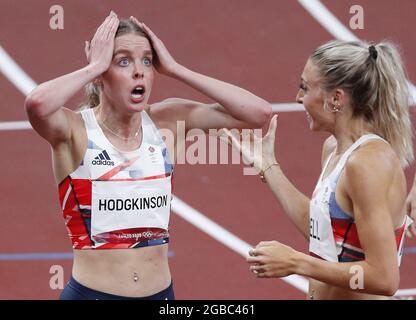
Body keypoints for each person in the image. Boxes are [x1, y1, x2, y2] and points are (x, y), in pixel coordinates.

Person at [24, 11, 271, 300]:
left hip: (161, 295)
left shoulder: (167, 122)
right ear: (102, 73)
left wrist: (177, 69)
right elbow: (37, 104)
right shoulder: (74, 131)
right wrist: (94, 68)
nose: (139, 71)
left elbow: (258, 113)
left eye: (147, 60)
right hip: (92, 294)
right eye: (123, 61)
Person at [224, 40, 414, 299]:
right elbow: (324, 234)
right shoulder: (334, 149)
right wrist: (269, 165)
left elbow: (384, 278)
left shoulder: (367, 164)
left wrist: (297, 263)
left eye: (305, 87)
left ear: (336, 98)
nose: (298, 98)